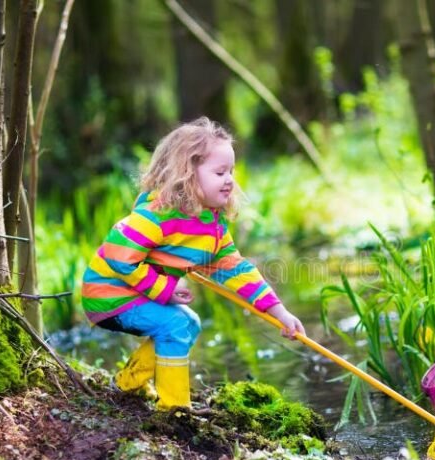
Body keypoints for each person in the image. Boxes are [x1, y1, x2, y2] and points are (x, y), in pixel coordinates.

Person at [81, 116, 305, 411]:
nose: (229, 180)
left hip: (135, 294)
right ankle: (174, 409)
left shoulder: (211, 228)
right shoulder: (156, 216)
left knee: (189, 322)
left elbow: (239, 272)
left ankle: (128, 384)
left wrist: (280, 313)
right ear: (186, 173)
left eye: (231, 172)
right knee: (175, 324)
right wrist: (165, 288)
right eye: (219, 172)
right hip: (108, 294)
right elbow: (118, 257)